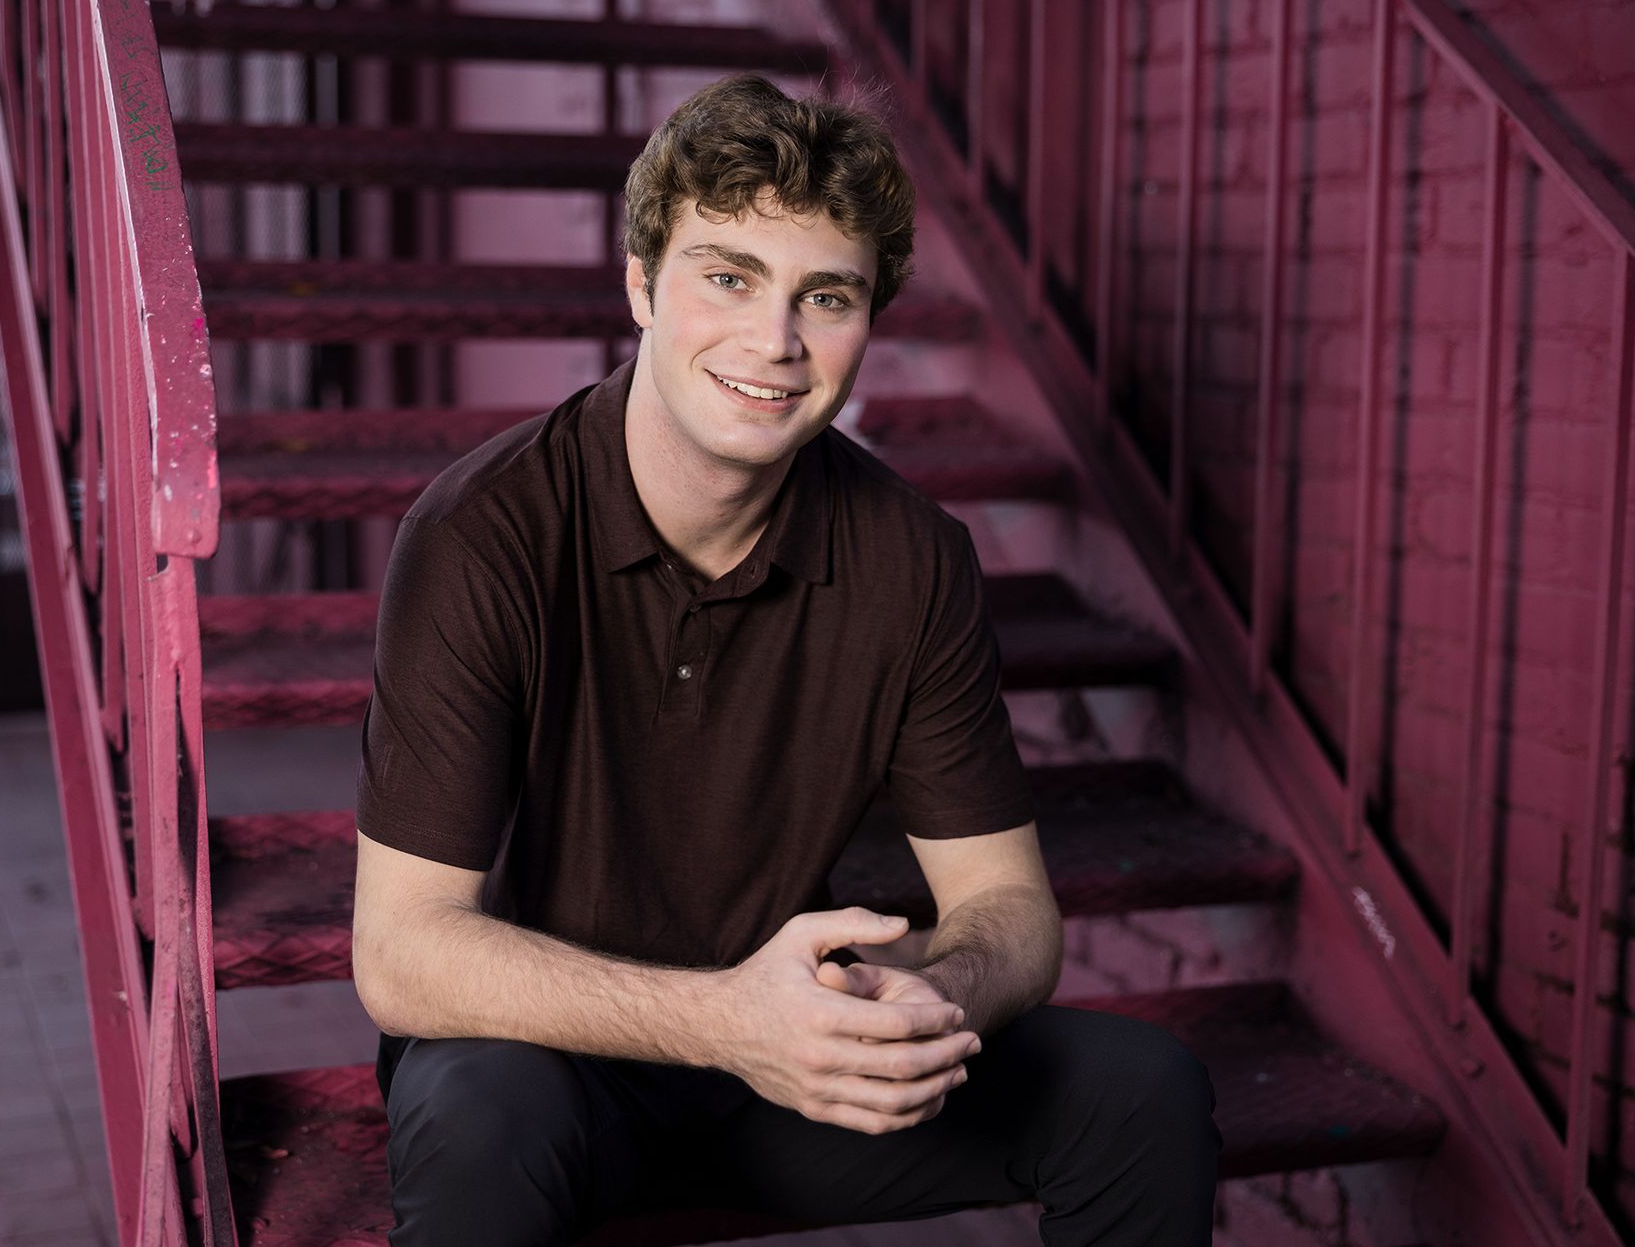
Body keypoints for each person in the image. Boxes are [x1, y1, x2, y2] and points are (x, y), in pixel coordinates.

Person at [351, 72, 1221, 1246]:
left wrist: (930, 996)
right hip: (554, 1062)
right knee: (476, 1116)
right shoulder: (482, 534)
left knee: (1139, 1094)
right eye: (729, 276)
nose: (776, 340)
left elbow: (1010, 909)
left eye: (828, 295)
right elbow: (402, 954)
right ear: (641, 283)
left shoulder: (912, 560)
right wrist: (723, 1021)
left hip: (794, 1068)